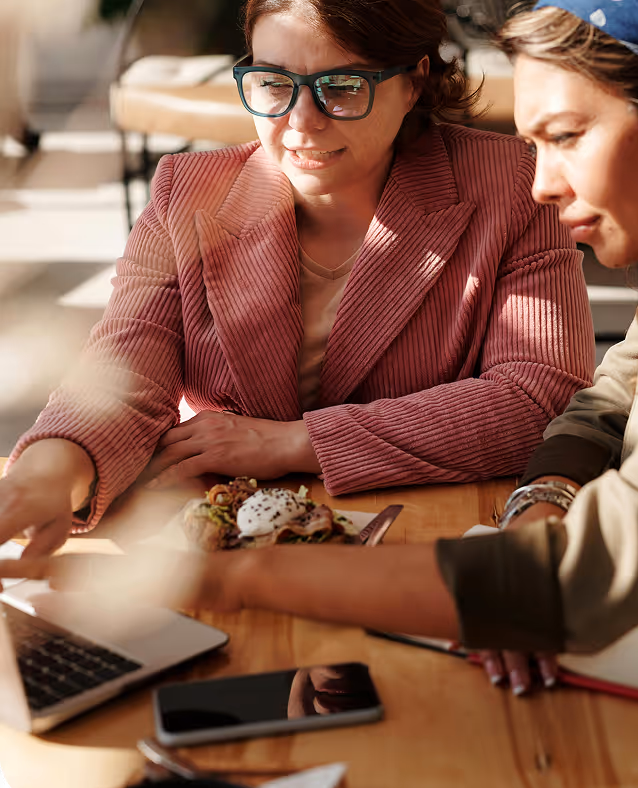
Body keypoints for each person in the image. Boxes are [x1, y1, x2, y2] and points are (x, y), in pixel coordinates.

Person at [0, 0, 593, 558]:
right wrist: (52, 468)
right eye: (273, 84)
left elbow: (541, 396)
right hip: (228, 541)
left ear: (414, 81)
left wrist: (293, 443)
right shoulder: (186, 192)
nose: (300, 123)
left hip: (425, 539)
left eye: (341, 87)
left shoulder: (510, 185)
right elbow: (124, 371)